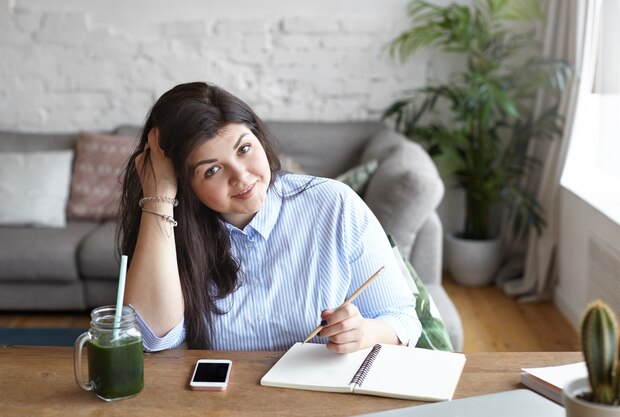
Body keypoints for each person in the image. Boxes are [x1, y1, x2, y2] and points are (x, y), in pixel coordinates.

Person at [118, 81, 420, 353]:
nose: (241, 176)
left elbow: (403, 319)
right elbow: (151, 338)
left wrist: (364, 332)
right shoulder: (173, 229)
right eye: (212, 170)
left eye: (244, 149)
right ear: (183, 181)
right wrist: (159, 199)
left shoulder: (335, 204)